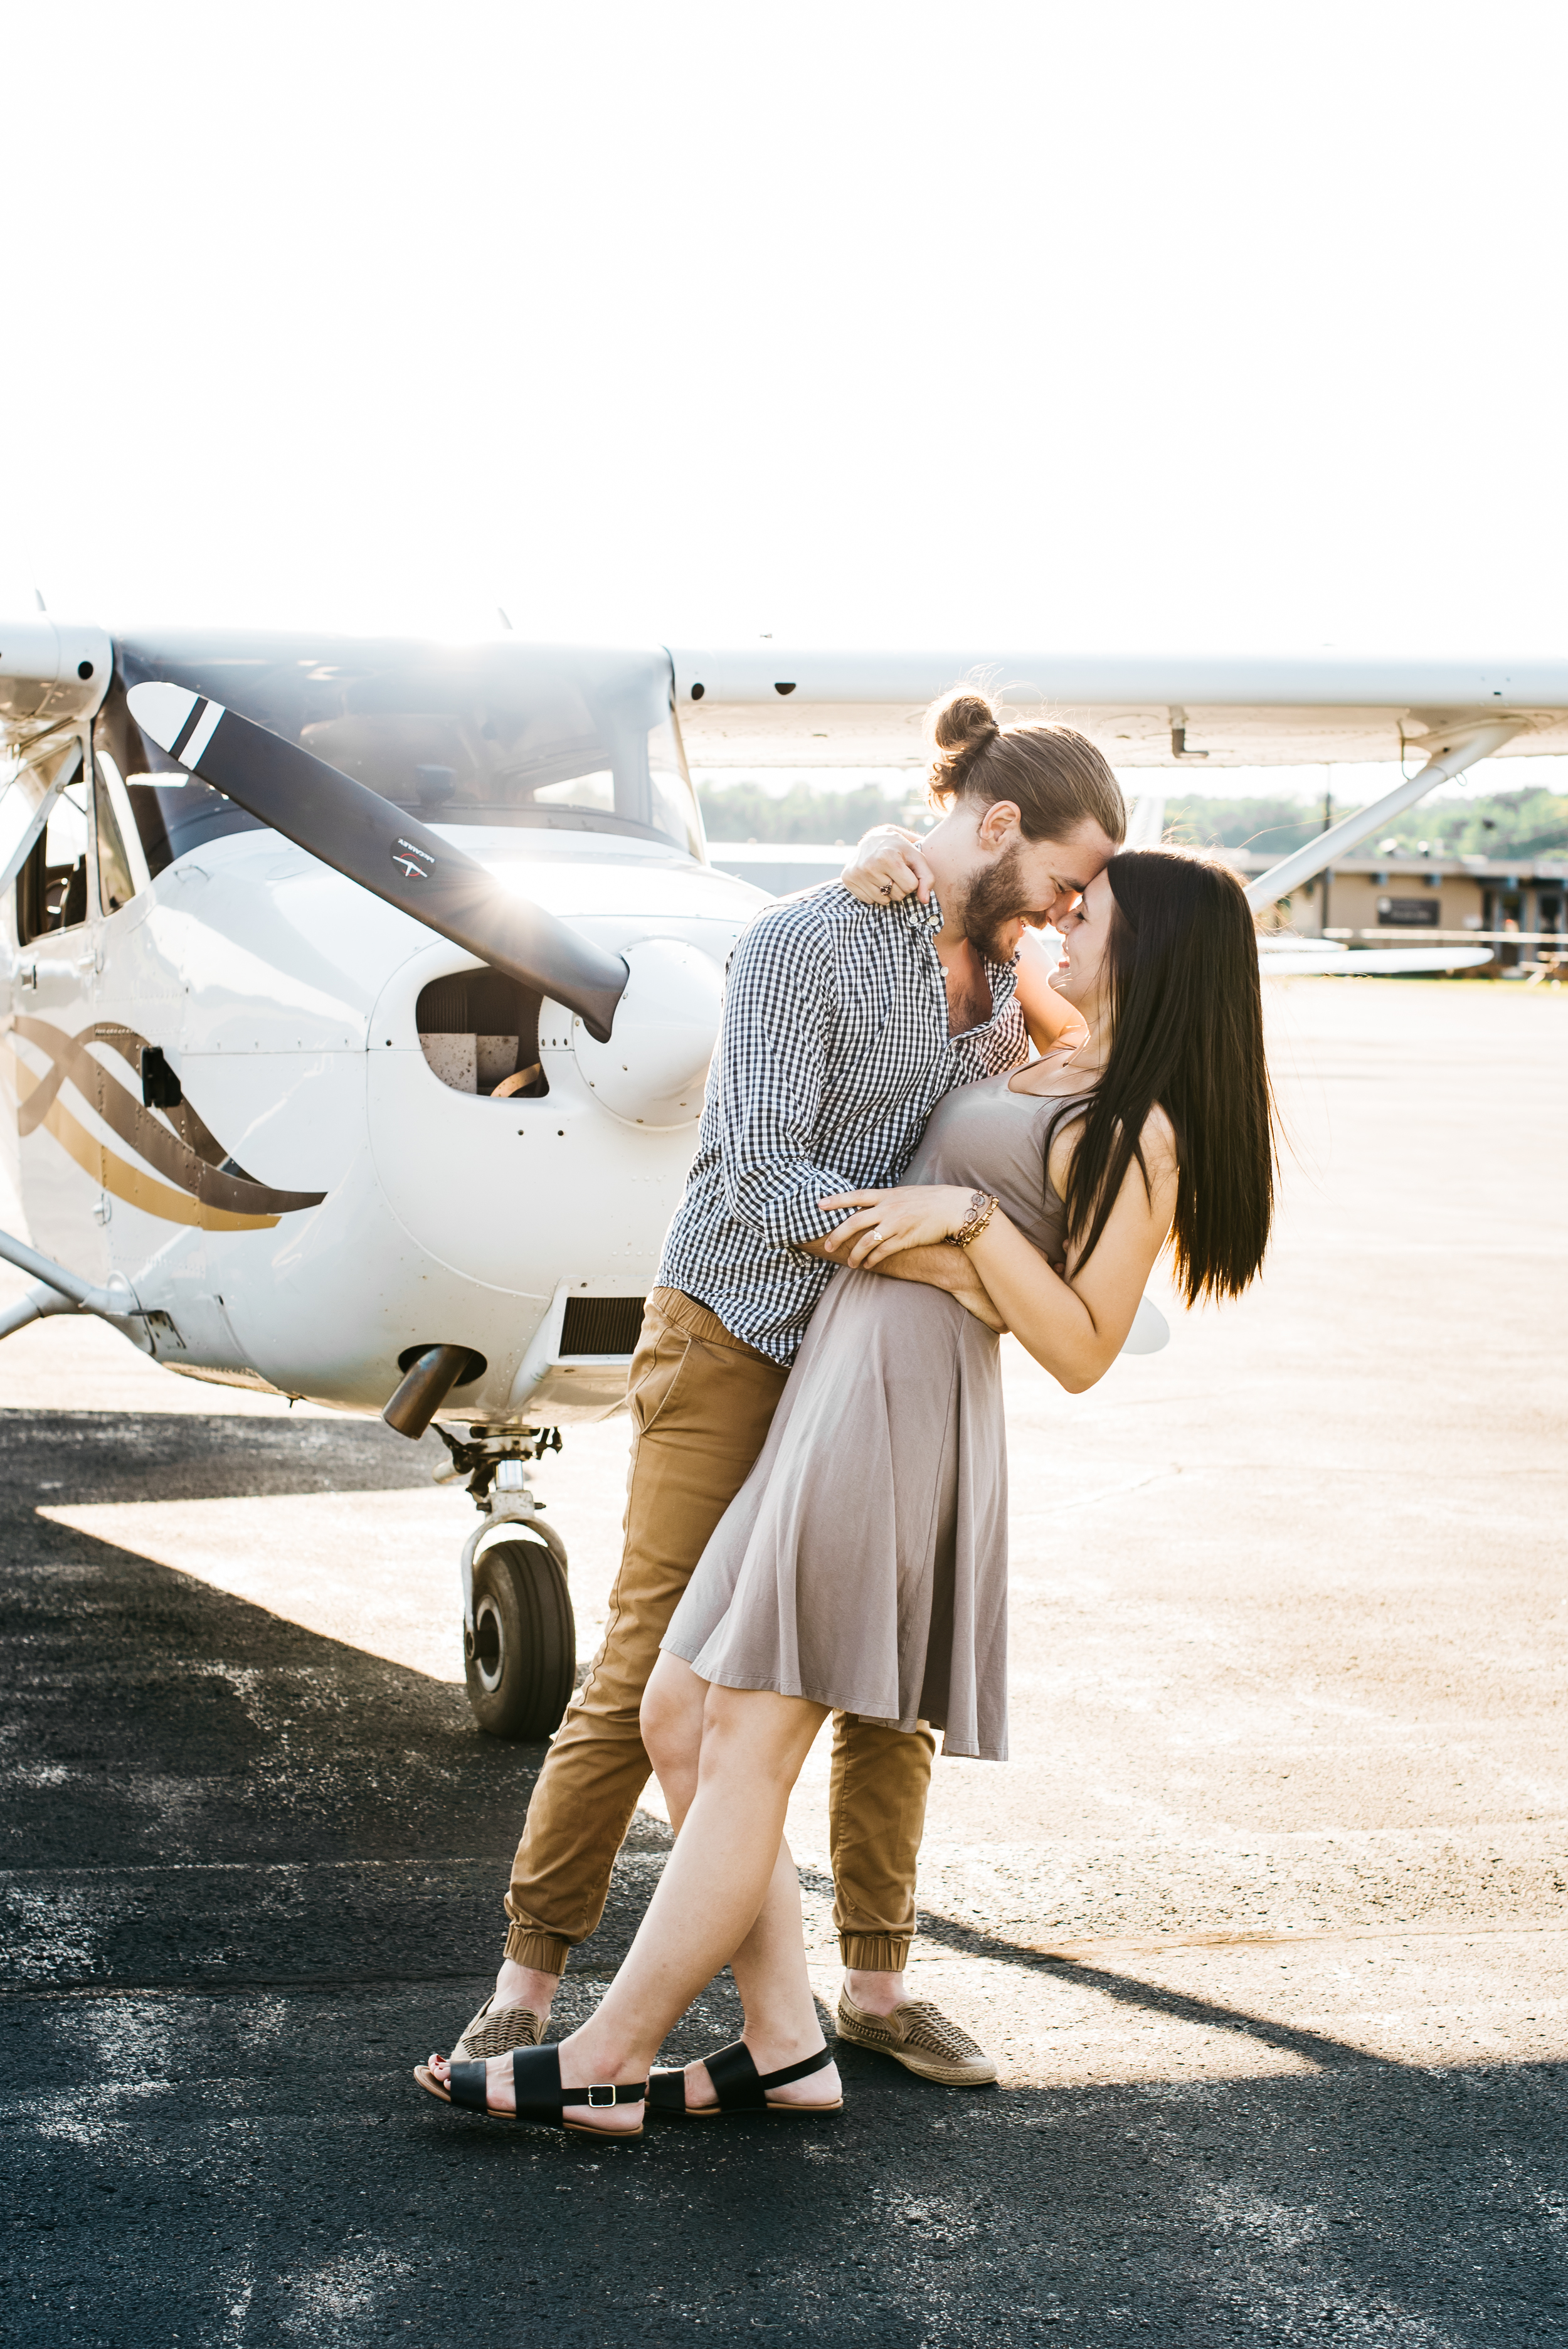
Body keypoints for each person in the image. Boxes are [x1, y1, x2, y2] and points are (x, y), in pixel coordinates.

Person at [416, 827, 1279, 2136]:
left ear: (1152, 947)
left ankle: (607, 2053)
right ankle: (780, 2043)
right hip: (836, 1375)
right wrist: (874, 857)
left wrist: (965, 1223)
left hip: (898, 1407)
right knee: (674, 1712)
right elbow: (922, 1009)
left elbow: (1079, 1345)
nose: (1059, 918)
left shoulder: (1139, 1126)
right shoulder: (1051, 1041)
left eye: (1088, 908)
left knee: (746, 1739)